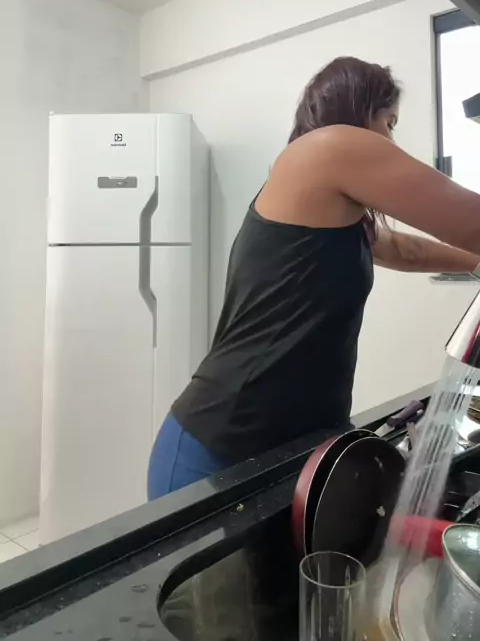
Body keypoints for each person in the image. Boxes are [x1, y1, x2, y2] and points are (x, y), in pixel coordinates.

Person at [147, 56, 480, 499]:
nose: (390, 139)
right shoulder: (330, 149)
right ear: (360, 108)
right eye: (389, 122)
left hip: (294, 447)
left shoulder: (332, 205)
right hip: (219, 449)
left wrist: (474, 264)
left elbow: (406, 250)